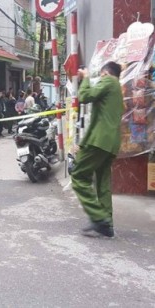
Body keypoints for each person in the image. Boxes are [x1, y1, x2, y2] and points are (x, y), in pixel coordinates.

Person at [71, 61, 124, 238]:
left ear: (104, 73)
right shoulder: (117, 89)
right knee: (102, 182)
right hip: (111, 143)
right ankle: (107, 224)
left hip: (99, 141)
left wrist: (85, 78)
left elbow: (85, 96)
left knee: (79, 176)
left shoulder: (108, 81)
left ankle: (98, 217)